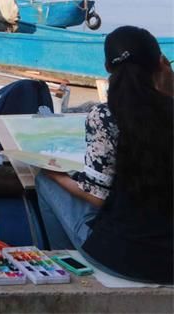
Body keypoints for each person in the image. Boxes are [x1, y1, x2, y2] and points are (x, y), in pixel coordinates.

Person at [35, 26, 173, 284]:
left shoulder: (106, 116)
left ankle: (73, 269)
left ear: (108, 68)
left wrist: (55, 174)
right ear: (161, 65)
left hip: (121, 257)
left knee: (45, 182)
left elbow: (97, 197)